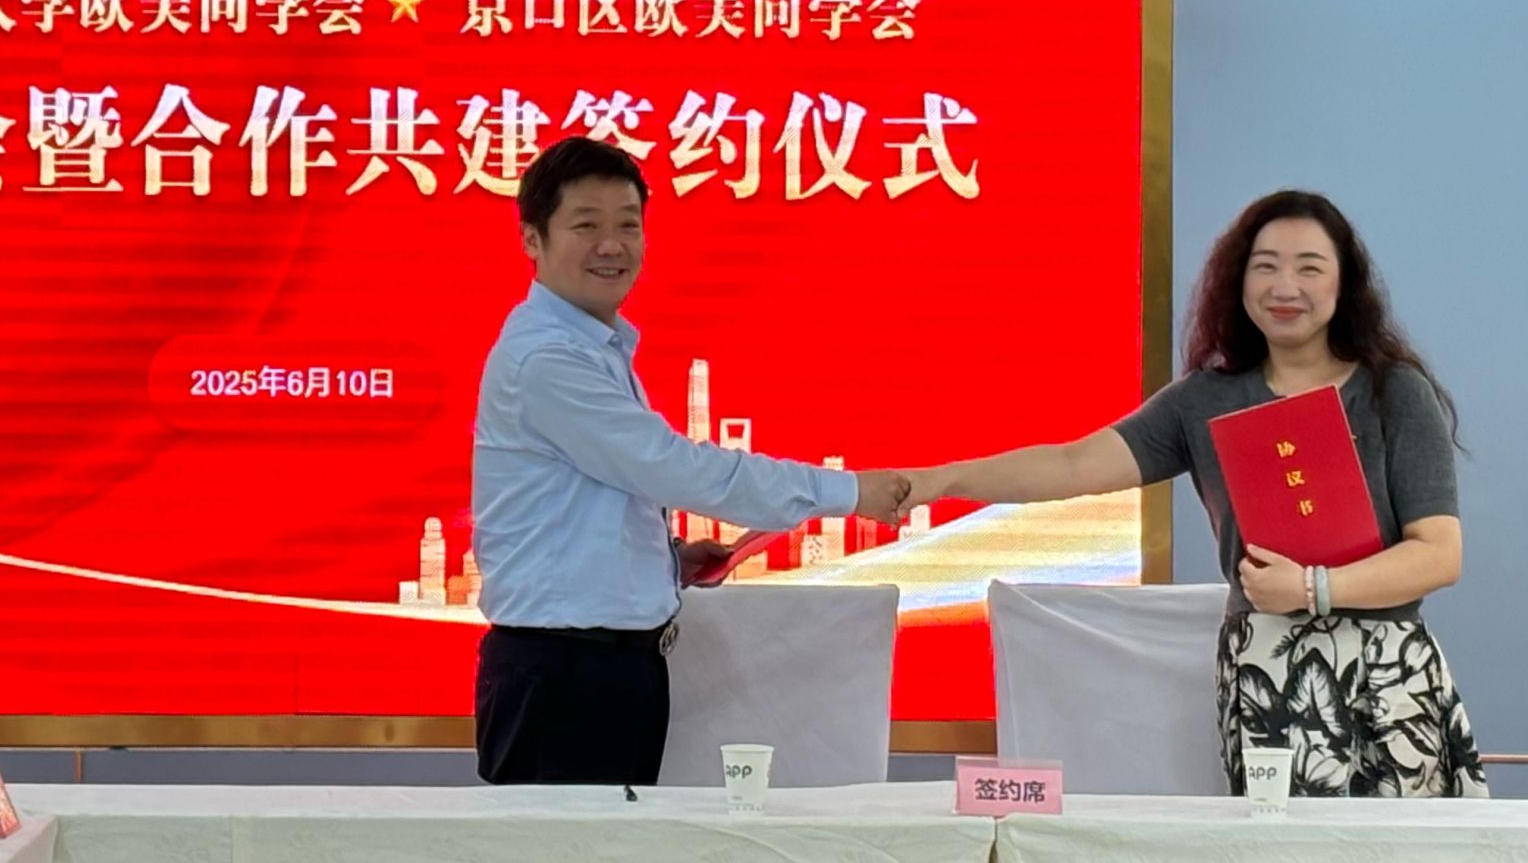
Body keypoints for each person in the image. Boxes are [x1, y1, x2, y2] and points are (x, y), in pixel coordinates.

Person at [907, 190, 1486, 798]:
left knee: (1401, 843)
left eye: (1310, 267)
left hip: (1387, 670)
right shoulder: (1204, 400)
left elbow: (1438, 554)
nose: (1285, 285)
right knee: (1278, 842)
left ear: (1346, 283)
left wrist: (1311, 589)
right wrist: (943, 481)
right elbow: (1073, 463)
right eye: (1265, 266)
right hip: (1265, 669)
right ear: (1239, 280)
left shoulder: (1395, 392)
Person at [471, 135, 912, 786]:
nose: (612, 245)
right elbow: (679, 470)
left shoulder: (590, 346)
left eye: (628, 225)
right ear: (531, 239)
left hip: (602, 666)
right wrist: (851, 492)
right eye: (586, 225)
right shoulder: (549, 360)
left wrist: (665, 559)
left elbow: (583, 504)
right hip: (563, 674)